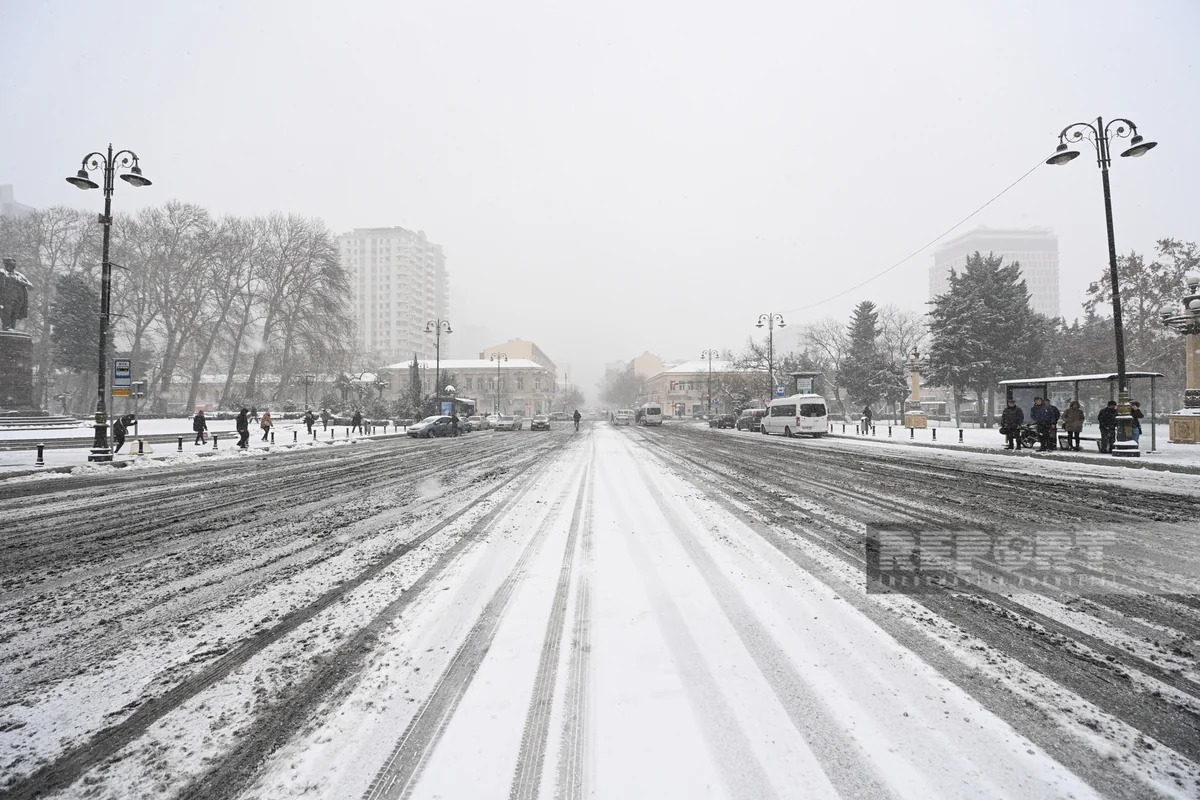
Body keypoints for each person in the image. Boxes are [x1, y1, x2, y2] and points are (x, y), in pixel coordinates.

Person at [0, 256, 33, 331]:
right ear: (6, 265)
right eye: (10, 265)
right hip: (5, 299)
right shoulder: (1, 273)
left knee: (14, 315)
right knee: (6, 314)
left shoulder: (19, 275)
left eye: (13, 265)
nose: (11, 267)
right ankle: (7, 328)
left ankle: (11, 328)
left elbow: (31, 286)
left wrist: (23, 282)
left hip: (18, 299)